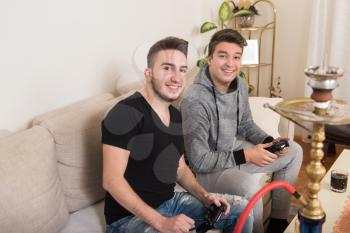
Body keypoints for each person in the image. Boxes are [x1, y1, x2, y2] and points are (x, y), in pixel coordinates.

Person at [101, 36, 253, 233]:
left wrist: (205, 196)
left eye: (182, 70)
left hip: (170, 202)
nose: (177, 77)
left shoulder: (176, 116)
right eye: (167, 68)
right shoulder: (124, 113)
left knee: (242, 210)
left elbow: (180, 168)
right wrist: (161, 222)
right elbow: (111, 181)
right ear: (148, 73)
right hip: (127, 219)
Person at [180, 29, 303, 233]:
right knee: (250, 188)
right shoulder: (194, 100)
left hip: (236, 151)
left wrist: (269, 141)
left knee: (294, 151)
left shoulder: (240, 85)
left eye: (236, 57)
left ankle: (278, 223)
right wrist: (247, 155)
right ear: (209, 59)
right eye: (223, 56)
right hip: (209, 170)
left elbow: (246, 124)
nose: (230, 63)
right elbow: (199, 160)